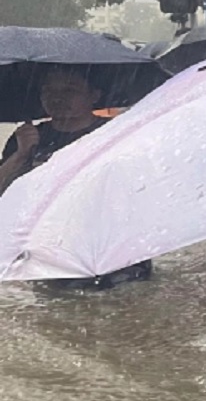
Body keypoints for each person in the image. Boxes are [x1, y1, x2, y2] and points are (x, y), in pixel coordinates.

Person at [0, 68, 151, 289]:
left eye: (69, 90)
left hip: (114, 246)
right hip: (52, 249)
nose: (56, 98)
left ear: (95, 95)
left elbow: (141, 186)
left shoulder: (116, 132)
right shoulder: (27, 137)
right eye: (48, 91)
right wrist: (20, 155)